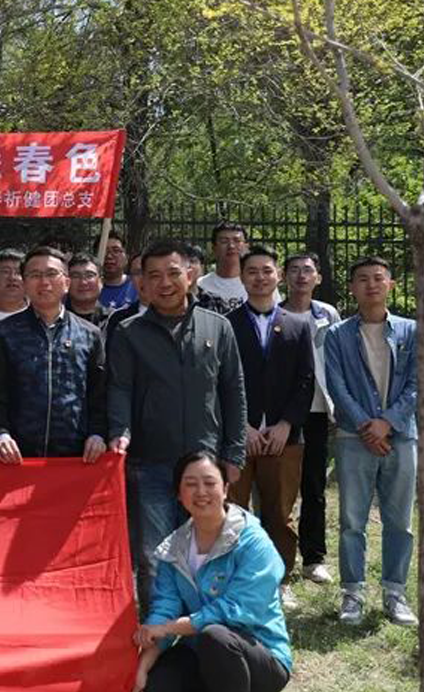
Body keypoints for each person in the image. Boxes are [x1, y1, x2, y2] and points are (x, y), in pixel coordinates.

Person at [107, 241, 246, 608]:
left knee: (209, 552)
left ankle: (205, 627)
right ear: (142, 283)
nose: (164, 283)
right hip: (149, 463)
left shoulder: (218, 327)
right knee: (154, 556)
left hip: (205, 462)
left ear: (190, 273)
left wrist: (234, 453)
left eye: (172, 273)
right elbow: (119, 389)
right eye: (154, 276)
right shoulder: (128, 332)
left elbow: (234, 392)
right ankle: (160, 629)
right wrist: (120, 432)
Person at [132, 451, 291, 692]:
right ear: (179, 495)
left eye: (209, 482)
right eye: (190, 484)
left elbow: (238, 610)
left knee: (215, 637)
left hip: (261, 655)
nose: (201, 492)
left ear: (225, 489)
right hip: (202, 655)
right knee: (156, 689)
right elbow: (163, 611)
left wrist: (170, 627)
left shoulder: (253, 541)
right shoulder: (173, 550)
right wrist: (143, 666)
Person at [325, 256, 418, 626]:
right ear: (352, 288)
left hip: (401, 437)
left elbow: (418, 382)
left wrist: (388, 423)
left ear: (390, 284)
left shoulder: (411, 330)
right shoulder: (337, 334)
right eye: (362, 279)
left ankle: (395, 593)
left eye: (378, 278)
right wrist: (368, 425)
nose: (371, 285)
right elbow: (337, 386)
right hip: (354, 437)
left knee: (400, 521)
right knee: (352, 520)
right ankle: (353, 592)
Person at [225, 246, 314, 607]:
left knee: (279, 513)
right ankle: (235, 580)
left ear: (278, 275)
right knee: (232, 513)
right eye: (252, 271)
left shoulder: (297, 324)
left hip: (284, 438)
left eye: (266, 271)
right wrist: (241, 426)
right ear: (242, 277)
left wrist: (286, 424)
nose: (260, 277)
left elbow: (306, 380)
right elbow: (219, 381)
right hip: (237, 438)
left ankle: (279, 580)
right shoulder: (227, 324)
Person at [0, 246, 106, 462]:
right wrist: (0, 433)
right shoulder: (4, 332)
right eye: (35, 275)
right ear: (24, 283)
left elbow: (99, 394)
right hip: (16, 456)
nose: (44, 282)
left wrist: (97, 433)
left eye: (51, 273)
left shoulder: (90, 334)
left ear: (66, 282)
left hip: (76, 458)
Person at [281, 252, 341, 584]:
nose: (301, 276)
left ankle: (313, 558)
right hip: (283, 413)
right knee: (280, 490)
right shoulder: (275, 312)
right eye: (294, 270)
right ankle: (279, 558)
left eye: (307, 270)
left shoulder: (327, 314)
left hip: (318, 409)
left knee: (314, 485)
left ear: (318, 277)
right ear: (284, 276)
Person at [197, 222, 250, 314]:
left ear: (246, 247)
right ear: (214, 248)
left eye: (237, 241)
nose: (231, 246)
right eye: (224, 241)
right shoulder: (201, 285)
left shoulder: (257, 284)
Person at [104, 251, 149, 347]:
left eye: (151, 271)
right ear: (131, 279)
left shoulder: (178, 317)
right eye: (138, 272)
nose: (144, 278)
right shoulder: (118, 319)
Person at [98, 233, 138, 313]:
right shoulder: (88, 287)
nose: (109, 256)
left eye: (116, 251)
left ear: (126, 257)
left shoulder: (137, 286)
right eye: (104, 251)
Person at [66, 253, 107, 325]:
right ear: (66, 282)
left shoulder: (113, 320)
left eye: (89, 275)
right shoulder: (53, 318)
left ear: (101, 282)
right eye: (76, 276)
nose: (83, 282)